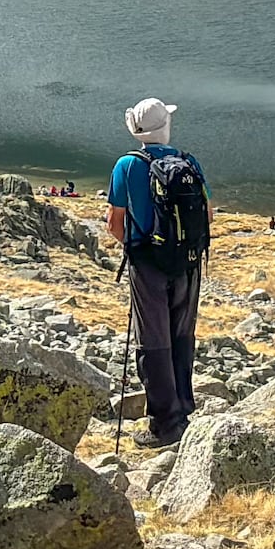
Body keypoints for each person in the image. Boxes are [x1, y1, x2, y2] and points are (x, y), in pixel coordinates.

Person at [106, 97, 210, 447]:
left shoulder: (127, 165)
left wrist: (137, 247)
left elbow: (113, 224)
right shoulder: (188, 161)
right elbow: (208, 216)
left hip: (147, 263)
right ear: (165, 125)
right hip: (189, 262)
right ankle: (183, 409)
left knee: (154, 342)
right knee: (182, 336)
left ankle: (164, 425)